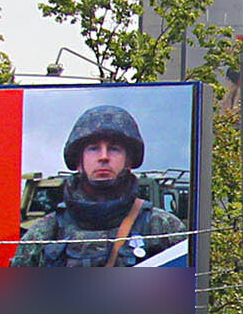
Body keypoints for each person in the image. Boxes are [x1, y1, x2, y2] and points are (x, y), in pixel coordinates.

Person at [11, 105, 189, 269]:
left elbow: (189, 299)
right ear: (78, 161)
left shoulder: (163, 229)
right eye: (93, 148)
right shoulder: (44, 233)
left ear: (129, 161)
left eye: (114, 149)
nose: (103, 157)